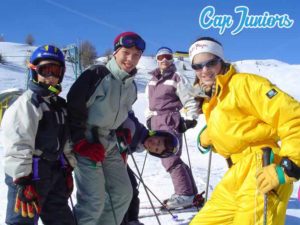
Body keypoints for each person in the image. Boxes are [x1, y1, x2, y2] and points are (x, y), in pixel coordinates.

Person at [67, 32, 178, 225]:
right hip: (87, 140)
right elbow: (74, 107)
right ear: (116, 51)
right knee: (94, 200)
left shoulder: (131, 86)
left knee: (123, 193)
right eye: (126, 53)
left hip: (109, 142)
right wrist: (80, 141)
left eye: (136, 56)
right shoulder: (96, 75)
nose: (130, 59)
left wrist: (121, 129)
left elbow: (124, 113)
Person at [188, 37, 300, 225]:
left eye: (211, 63)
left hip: (262, 166)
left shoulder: (245, 84)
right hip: (234, 173)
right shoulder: (213, 100)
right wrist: (208, 136)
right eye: (198, 66)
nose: (204, 70)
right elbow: (236, 128)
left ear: (221, 61)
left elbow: (292, 117)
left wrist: (290, 166)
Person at [2, 45, 76, 225]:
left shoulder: (59, 104)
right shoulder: (28, 103)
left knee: (62, 220)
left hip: (54, 171)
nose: (50, 76)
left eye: (55, 70)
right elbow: (18, 143)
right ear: (35, 71)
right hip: (31, 174)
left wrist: (68, 168)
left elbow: (65, 141)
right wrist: (22, 180)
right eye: (45, 70)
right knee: (22, 221)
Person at [145, 46, 199, 209]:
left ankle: (184, 194)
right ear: (156, 60)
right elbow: (150, 102)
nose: (164, 61)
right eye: (161, 58)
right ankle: (190, 192)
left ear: (172, 59)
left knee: (170, 157)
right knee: (171, 158)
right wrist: (148, 118)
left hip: (169, 119)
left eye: (168, 57)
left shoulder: (177, 77)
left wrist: (190, 119)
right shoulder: (152, 80)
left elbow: (189, 99)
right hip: (156, 120)